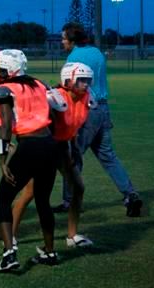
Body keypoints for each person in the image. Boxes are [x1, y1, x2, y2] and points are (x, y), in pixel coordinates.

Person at [54, 22, 142, 217]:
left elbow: (73, 86)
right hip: (103, 108)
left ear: (72, 40)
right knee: (108, 156)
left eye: (63, 38)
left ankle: (70, 201)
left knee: (74, 156)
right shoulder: (96, 52)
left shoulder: (74, 57)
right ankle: (130, 194)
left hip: (86, 109)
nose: (62, 42)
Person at [12, 62, 96, 250]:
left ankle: (72, 235)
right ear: (68, 79)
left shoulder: (85, 98)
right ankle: (11, 235)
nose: (85, 84)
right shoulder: (53, 98)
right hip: (44, 146)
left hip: (62, 147)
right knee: (30, 192)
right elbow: (39, 125)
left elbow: (73, 124)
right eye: (81, 80)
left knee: (78, 187)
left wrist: (73, 146)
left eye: (87, 80)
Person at [0, 49, 59, 273]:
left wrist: (2, 158)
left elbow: (7, 123)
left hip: (29, 145)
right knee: (43, 201)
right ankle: (50, 251)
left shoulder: (5, 89)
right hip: (49, 144)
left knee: (3, 198)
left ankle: (9, 253)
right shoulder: (39, 83)